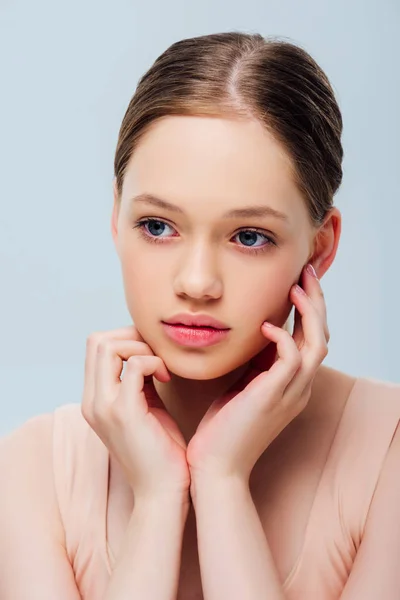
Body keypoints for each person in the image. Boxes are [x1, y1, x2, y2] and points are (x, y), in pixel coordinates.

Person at [1, 31, 399, 600]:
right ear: (117, 216)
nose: (196, 283)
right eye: (157, 226)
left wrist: (221, 480)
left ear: (319, 248)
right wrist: (160, 499)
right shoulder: (32, 471)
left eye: (249, 236)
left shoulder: (388, 453)